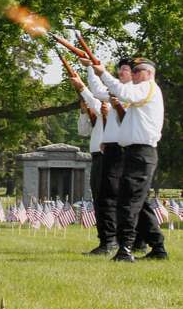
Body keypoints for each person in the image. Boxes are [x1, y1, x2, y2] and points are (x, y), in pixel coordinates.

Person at [82, 57, 166, 261]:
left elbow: (121, 92)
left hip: (141, 154)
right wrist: (93, 71)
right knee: (136, 202)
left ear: (148, 73)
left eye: (137, 70)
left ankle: (126, 249)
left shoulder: (146, 88)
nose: (134, 74)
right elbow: (105, 95)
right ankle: (157, 247)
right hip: (133, 153)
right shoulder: (138, 93)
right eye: (133, 70)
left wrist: (101, 71)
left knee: (128, 201)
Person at [71, 58, 133, 255]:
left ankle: (115, 241)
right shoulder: (110, 99)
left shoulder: (125, 96)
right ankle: (109, 240)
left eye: (125, 69)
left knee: (111, 198)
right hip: (100, 154)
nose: (121, 73)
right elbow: (85, 125)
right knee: (101, 198)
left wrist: (84, 82)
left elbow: (95, 96)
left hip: (113, 153)